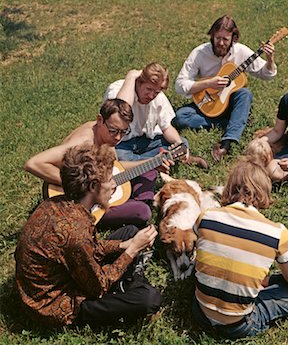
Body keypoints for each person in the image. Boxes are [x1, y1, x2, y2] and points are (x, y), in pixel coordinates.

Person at [15, 144, 162, 327]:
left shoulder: (57, 203)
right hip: (52, 304)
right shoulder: (75, 231)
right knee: (149, 298)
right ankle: (128, 282)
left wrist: (124, 245)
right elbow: (98, 288)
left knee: (130, 232)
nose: (114, 185)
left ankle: (129, 278)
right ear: (93, 186)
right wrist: (132, 250)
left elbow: (89, 248)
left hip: (63, 273)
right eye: (110, 180)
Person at [192, 158, 288, 338]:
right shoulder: (276, 232)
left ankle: (259, 281)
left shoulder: (205, 217)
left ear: (230, 187)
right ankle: (263, 283)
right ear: (264, 191)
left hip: (199, 313)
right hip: (238, 326)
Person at [24, 98, 172, 229]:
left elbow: (116, 168)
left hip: (101, 187)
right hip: (81, 202)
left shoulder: (105, 136)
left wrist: (152, 162)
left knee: (150, 170)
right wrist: (84, 184)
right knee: (142, 212)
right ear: (100, 120)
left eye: (123, 132)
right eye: (113, 131)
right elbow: (34, 163)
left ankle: (127, 200)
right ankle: (132, 204)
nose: (118, 137)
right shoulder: (83, 143)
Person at [173, 15, 277, 161]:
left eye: (225, 39)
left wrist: (270, 59)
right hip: (206, 103)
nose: (221, 43)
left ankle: (227, 143)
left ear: (233, 39)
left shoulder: (241, 52)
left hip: (230, 102)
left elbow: (267, 75)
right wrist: (208, 83)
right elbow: (179, 85)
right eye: (217, 38)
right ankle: (233, 121)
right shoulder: (199, 53)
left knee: (245, 94)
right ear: (212, 36)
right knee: (180, 117)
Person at [104, 64, 208, 169]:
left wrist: (180, 144)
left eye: (156, 92)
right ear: (139, 82)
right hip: (120, 143)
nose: (151, 96)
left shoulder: (158, 97)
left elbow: (166, 127)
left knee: (180, 142)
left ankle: (150, 164)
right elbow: (120, 109)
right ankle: (155, 163)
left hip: (144, 141)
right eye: (148, 89)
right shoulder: (118, 89)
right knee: (117, 157)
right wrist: (131, 77)